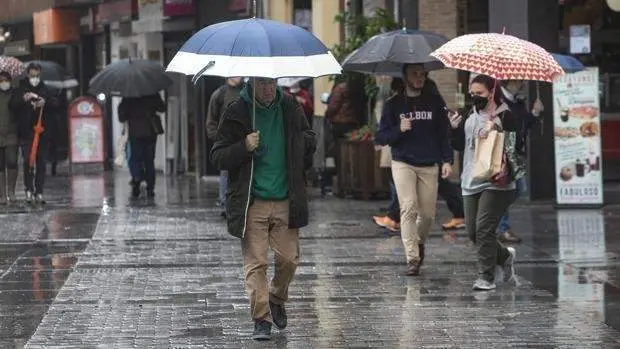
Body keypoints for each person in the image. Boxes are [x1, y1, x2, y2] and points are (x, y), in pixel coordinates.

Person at [210, 77, 316, 341]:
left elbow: (309, 140)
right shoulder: (237, 110)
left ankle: (277, 297)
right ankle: (261, 318)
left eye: (272, 83)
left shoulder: (290, 106)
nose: (268, 89)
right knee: (256, 263)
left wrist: (302, 144)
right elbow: (218, 156)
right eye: (262, 84)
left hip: (285, 198)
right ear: (252, 83)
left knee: (289, 260)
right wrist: (243, 147)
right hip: (252, 201)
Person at [375, 63, 454, 277]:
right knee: (408, 208)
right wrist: (398, 130)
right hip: (403, 162)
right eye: (415, 74)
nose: (419, 78)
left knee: (427, 215)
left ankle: (418, 243)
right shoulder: (394, 104)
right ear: (405, 76)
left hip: (429, 163)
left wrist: (447, 160)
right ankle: (412, 258)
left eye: (422, 74)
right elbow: (381, 137)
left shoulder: (435, 102)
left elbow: (443, 133)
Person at [450, 74, 518, 291]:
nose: (475, 97)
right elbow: (461, 147)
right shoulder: (469, 113)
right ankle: (505, 256)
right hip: (471, 179)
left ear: (491, 92)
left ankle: (486, 277)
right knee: (472, 231)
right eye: (472, 93)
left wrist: (497, 130)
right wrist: (454, 129)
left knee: (483, 229)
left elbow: (517, 147)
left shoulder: (505, 115)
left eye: (479, 93)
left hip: (495, 181)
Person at [496, 80, 544, 243]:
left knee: (517, 189)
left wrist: (534, 113)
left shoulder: (517, 101)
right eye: (518, 81)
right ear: (509, 82)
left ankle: (497, 221)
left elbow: (524, 124)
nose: (522, 84)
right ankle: (502, 227)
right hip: (504, 152)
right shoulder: (499, 100)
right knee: (511, 189)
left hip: (515, 153)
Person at [13, 63, 57, 204]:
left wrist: (45, 102)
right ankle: (28, 189)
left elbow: (55, 104)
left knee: (41, 162)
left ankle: (39, 191)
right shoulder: (21, 89)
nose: (35, 78)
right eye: (32, 75)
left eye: (37, 76)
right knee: (28, 161)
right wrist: (24, 99)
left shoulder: (45, 89)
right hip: (26, 132)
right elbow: (12, 105)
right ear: (27, 74)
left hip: (42, 132)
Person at [206, 77, 244, 215]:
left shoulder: (247, 92)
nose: (237, 77)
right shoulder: (220, 94)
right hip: (226, 140)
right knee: (225, 172)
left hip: (244, 140)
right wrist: (217, 138)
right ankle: (224, 203)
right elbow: (211, 119)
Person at [118, 93, 165, 198]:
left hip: (135, 133)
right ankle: (150, 187)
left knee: (135, 158)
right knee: (149, 160)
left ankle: (137, 178)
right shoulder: (152, 93)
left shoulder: (128, 96)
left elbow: (121, 117)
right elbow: (162, 108)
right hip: (150, 132)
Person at [0, 71, 20, 204]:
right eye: (1, 80)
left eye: (6, 80)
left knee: (12, 161)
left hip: (12, 133)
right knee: (0, 165)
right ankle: (2, 195)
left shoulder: (15, 94)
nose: (4, 83)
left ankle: (11, 191)